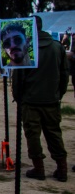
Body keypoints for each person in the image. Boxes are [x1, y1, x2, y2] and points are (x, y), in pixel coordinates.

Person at [12, 16, 69, 182]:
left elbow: (18, 77)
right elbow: (65, 74)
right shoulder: (57, 47)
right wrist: (58, 94)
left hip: (31, 100)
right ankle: (62, 168)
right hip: (51, 99)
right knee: (54, 133)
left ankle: (39, 168)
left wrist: (19, 97)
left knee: (32, 135)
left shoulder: (25, 47)